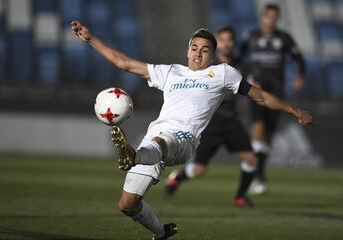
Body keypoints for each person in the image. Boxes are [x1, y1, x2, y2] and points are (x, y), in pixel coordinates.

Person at [71, 21, 312, 240]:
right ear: (187, 51)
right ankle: (161, 232)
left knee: (161, 140)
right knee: (128, 205)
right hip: (153, 141)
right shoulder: (170, 72)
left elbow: (260, 97)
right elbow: (124, 63)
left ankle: (132, 156)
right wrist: (91, 39)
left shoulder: (223, 73)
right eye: (194, 47)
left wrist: (295, 111)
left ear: (213, 54)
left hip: (183, 140)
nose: (198, 53)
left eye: (205, 49)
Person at [164, 27, 257, 208]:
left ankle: (239, 197)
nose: (226, 43)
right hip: (210, 122)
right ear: (217, 45)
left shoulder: (240, 66)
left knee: (251, 159)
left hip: (231, 121)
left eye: (229, 40)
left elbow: (252, 86)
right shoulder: (207, 64)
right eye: (222, 40)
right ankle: (177, 177)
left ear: (234, 43)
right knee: (199, 169)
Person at [239, 4, 305, 194]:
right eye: (268, 16)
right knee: (258, 131)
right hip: (257, 92)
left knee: (267, 137)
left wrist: (299, 75)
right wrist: (248, 76)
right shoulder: (250, 37)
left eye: (274, 17)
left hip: (277, 92)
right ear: (262, 17)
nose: (271, 20)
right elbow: (239, 59)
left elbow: (299, 58)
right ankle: (255, 176)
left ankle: (258, 172)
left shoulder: (284, 38)